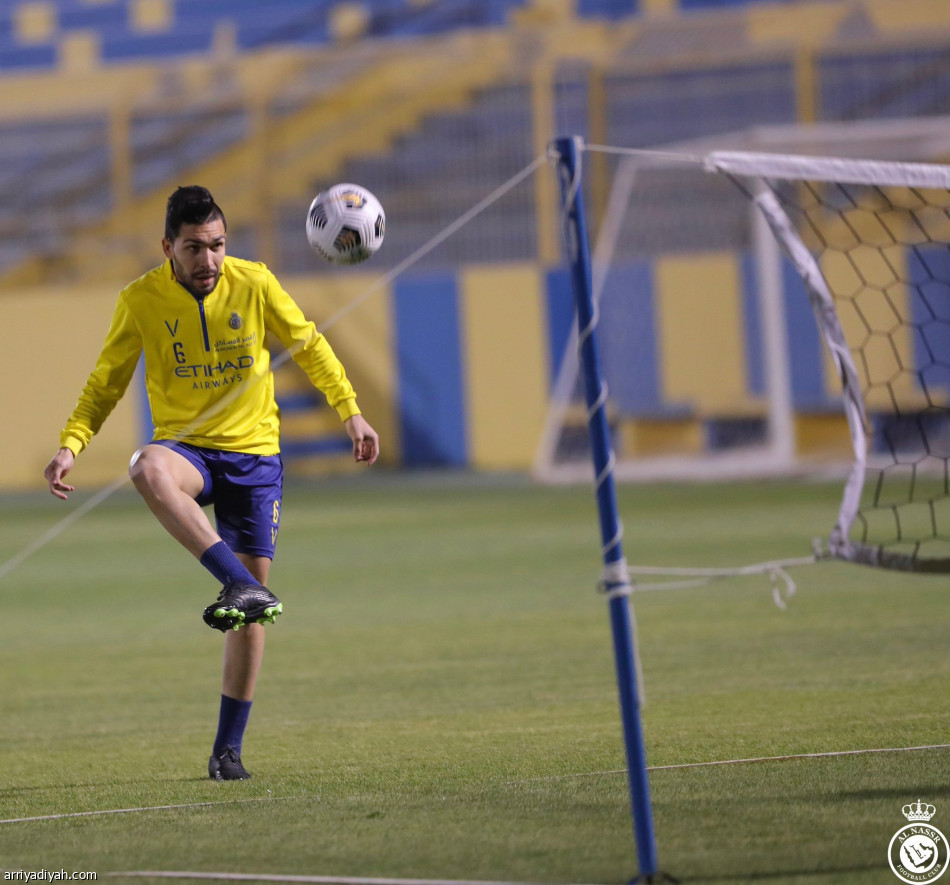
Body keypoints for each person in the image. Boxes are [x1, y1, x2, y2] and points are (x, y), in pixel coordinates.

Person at [43, 185, 379, 781]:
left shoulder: (254, 282)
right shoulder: (140, 300)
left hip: (253, 454)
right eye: (195, 248)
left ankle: (227, 754)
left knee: (251, 619)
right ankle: (237, 582)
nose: (209, 261)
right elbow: (105, 383)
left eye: (218, 245)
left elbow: (309, 344)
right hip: (188, 449)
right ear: (168, 247)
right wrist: (71, 444)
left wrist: (349, 409)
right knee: (147, 467)